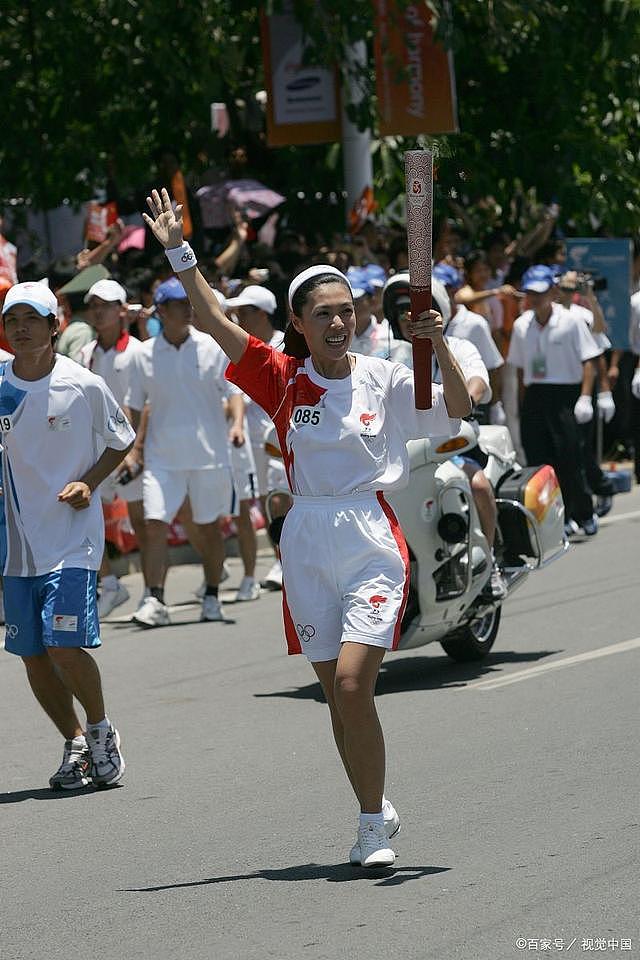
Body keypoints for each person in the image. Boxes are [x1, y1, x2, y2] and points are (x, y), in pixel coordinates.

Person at [143, 187, 471, 868]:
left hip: (370, 536)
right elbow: (208, 316)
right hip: (305, 539)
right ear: (297, 321)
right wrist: (178, 249)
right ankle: (372, 813)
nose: (339, 323)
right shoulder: (280, 377)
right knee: (334, 698)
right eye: (324, 313)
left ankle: (373, 828)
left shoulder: (384, 376)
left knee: (354, 685)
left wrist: (437, 343)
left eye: (347, 311)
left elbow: (458, 410)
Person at [1, 281, 134, 790]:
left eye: (32, 318)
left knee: (62, 645)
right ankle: (75, 740)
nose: (21, 328)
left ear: (55, 325)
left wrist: (89, 481)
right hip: (14, 542)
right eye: (13, 319)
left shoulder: (83, 384)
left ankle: (100, 729)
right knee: (32, 653)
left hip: (72, 539)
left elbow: (122, 439)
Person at [127, 276, 245, 627]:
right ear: (161, 311)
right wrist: (132, 448)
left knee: (209, 530)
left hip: (209, 457)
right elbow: (134, 406)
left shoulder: (211, 347)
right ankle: (154, 598)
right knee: (153, 524)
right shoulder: (142, 354)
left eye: (189, 304)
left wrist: (237, 424)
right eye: (180, 305)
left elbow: (233, 393)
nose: (188, 310)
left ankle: (211, 594)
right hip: (163, 459)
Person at [383, 273, 507, 600]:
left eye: (418, 311)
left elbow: (478, 382)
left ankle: (490, 561)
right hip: (405, 452)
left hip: (453, 445)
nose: (410, 318)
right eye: (402, 312)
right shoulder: (386, 355)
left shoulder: (459, 347)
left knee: (477, 484)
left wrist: (467, 398)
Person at [507, 265, 602, 537]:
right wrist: (520, 405)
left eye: (540, 292)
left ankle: (583, 512)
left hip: (566, 395)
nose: (535, 298)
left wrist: (585, 397)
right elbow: (521, 369)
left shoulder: (571, 321)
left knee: (570, 457)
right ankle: (556, 518)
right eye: (530, 293)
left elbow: (588, 361)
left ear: (553, 291)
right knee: (540, 460)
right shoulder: (521, 325)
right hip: (536, 396)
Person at [78, 278, 149, 616]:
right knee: (87, 518)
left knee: (142, 521)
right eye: (94, 304)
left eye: (105, 305)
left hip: (129, 450)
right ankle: (110, 584)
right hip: (97, 451)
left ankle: (152, 592)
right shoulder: (84, 354)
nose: (97, 310)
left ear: (122, 311)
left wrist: (136, 450)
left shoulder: (136, 351)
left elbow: (144, 404)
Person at [223, 284, 288, 591]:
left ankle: (286, 560)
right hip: (253, 440)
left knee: (282, 499)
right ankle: (281, 557)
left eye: (244, 313)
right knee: (267, 500)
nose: (239, 319)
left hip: (283, 438)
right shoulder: (243, 349)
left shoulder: (286, 345)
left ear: (262, 313)